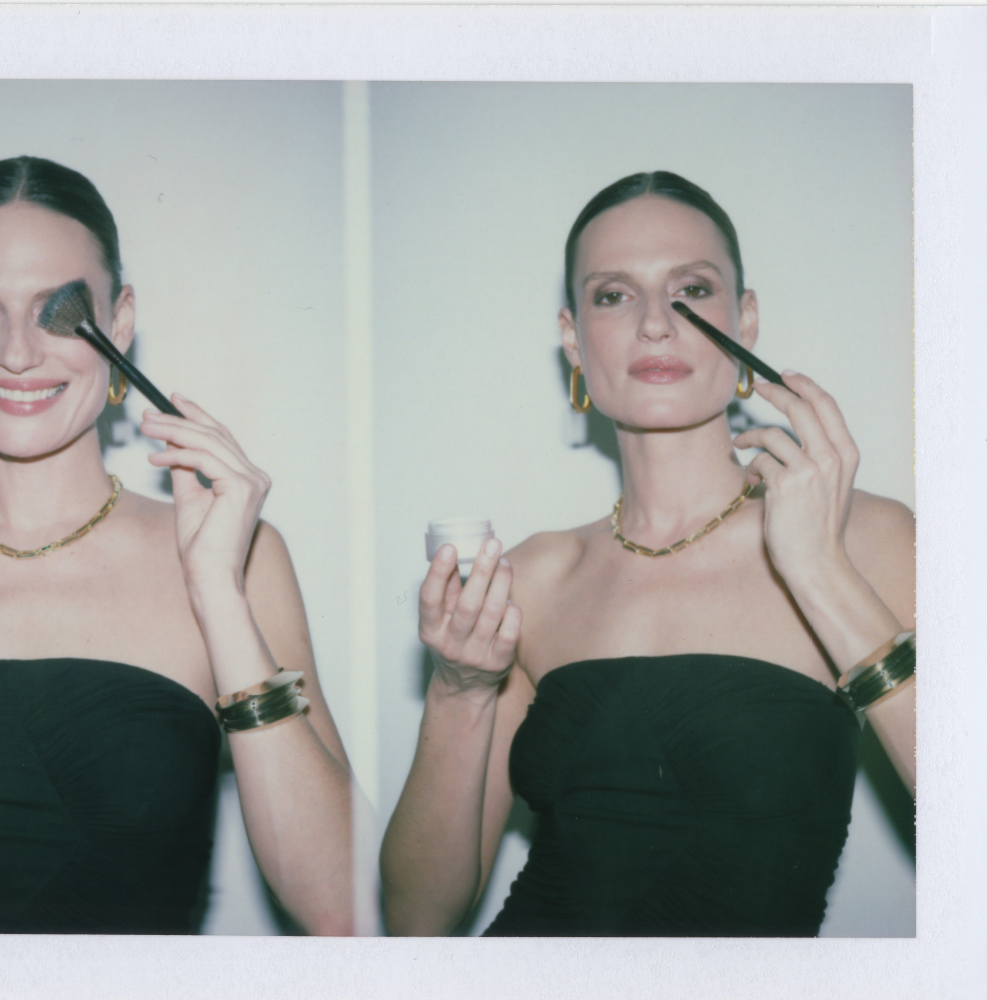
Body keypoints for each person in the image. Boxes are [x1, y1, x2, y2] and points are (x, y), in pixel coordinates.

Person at [0, 156, 356, 935]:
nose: (18, 353)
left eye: (56, 309)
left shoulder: (239, 557)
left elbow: (339, 907)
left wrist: (215, 591)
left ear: (120, 323)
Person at [380, 171, 916, 937]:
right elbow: (415, 924)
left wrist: (819, 570)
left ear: (747, 320)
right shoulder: (533, 575)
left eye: (692, 290)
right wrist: (458, 690)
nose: (657, 324)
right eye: (613, 295)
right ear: (572, 336)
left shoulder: (868, 538)